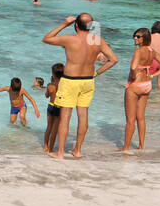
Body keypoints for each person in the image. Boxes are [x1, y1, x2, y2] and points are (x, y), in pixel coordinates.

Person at [42, 13, 119, 160]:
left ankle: (60, 153)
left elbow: (46, 38)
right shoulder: (97, 40)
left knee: (65, 117)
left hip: (70, 81)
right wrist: (97, 73)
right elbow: (113, 60)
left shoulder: (70, 39)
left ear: (76, 25)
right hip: (88, 80)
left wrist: (65, 24)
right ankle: (77, 150)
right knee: (83, 116)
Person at [119, 28, 160, 152]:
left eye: (138, 36)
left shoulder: (138, 51)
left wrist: (132, 76)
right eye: (134, 36)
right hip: (147, 84)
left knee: (130, 120)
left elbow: (133, 67)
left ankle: (125, 148)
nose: (135, 38)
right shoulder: (152, 51)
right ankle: (141, 146)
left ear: (144, 38)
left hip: (135, 85)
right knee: (141, 117)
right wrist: (153, 76)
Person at [43, 63, 64, 154]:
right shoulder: (63, 86)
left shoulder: (49, 85)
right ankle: (51, 149)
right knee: (55, 130)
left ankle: (45, 145)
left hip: (50, 106)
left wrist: (49, 92)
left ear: (53, 74)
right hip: (59, 107)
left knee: (49, 127)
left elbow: (47, 96)